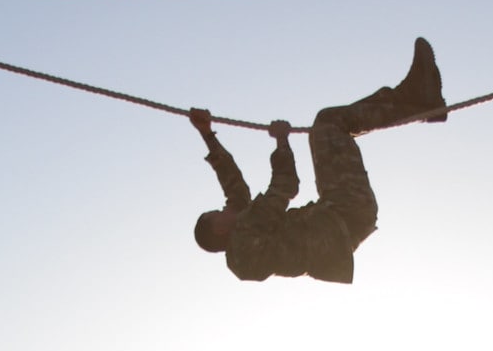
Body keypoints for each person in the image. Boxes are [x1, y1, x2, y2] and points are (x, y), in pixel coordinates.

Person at [189, 38, 446, 284]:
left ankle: (416, 99)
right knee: (327, 124)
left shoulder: (246, 228)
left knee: (328, 124)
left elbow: (233, 186)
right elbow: (285, 186)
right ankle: (417, 99)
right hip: (344, 215)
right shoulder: (244, 241)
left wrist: (207, 134)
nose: (223, 209)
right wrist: (282, 141)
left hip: (342, 217)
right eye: (217, 213)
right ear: (219, 230)